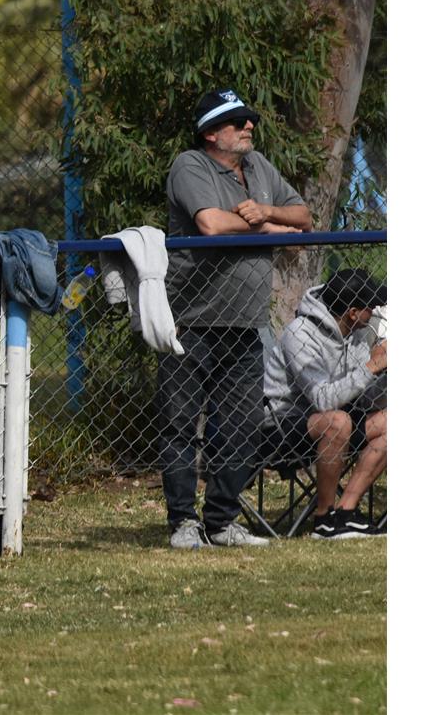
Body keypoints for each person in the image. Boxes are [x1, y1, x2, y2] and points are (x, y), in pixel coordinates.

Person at [158, 87, 311, 550]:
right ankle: (184, 523)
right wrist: (267, 228)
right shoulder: (191, 165)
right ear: (210, 133)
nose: (249, 127)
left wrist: (266, 211)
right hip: (191, 320)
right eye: (237, 121)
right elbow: (211, 224)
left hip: (246, 325)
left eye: (249, 120)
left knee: (240, 427)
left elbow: (304, 216)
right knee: (181, 424)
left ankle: (221, 522)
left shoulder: (259, 167)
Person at [263, 268, 386, 539]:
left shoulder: (355, 335)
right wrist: (371, 367)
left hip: (332, 423)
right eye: (371, 308)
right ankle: (324, 519)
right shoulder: (301, 334)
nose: (375, 313)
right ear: (353, 312)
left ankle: (345, 512)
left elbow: (361, 396)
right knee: (337, 421)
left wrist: (385, 374)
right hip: (282, 426)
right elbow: (323, 399)